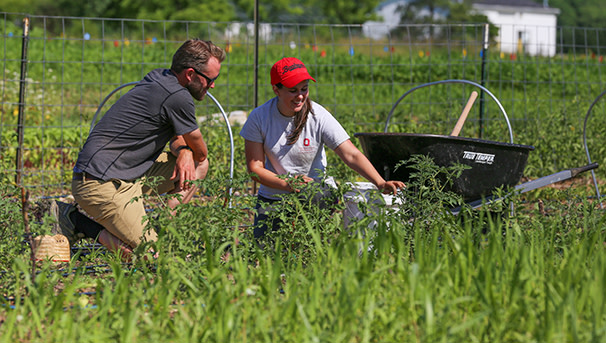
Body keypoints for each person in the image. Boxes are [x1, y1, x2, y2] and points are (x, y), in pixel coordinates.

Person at [51, 39, 226, 259]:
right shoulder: (178, 97)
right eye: (211, 80)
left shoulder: (161, 79)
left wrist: (183, 151)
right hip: (100, 184)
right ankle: (76, 222)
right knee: (150, 257)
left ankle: (164, 230)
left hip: (128, 173)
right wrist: (189, 150)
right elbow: (200, 150)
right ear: (190, 74)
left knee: (199, 166)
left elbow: (181, 140)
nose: (212, 86)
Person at [239, 57, 405, 239]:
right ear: (276, 90)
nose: (300, 96)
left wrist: (380, 182)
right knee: (265, 254)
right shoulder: (260, 117)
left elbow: (350, 154)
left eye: (304, 89)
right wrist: (287, 183)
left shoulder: (318, 115)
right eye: (293, 91)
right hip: (274, 196)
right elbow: (255, 169)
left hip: (314, 195)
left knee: (309, 246)